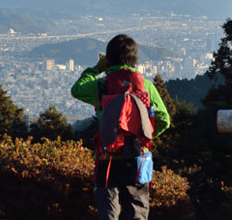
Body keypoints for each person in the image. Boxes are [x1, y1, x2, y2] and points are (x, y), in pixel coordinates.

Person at [71, 34, 170, 220]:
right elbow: (164, 119)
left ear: (109, 59)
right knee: (137, 211)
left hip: (108, 156)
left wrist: (97, 68)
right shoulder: (146, 86)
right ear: (134, 58)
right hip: (138, 156)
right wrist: (144, 136)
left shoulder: (102, 85)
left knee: (109, 212)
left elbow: (77, 89)